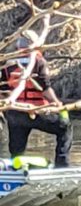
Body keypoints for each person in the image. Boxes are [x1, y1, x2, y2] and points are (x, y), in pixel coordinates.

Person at [0, 33, 72, 167]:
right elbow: (45, 88)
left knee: (17, 150)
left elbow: (3, 91)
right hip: (37, 111)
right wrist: (57, 104)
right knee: (65, 128)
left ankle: (17, 169)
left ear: (17, 46)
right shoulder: (39, 61)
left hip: (15, 113)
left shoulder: (7, 63)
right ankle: (62, 165)